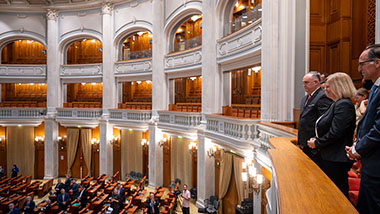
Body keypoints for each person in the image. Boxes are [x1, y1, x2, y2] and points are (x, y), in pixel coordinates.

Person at [307, 72, 356, 198]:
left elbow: (336, 132)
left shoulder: (344, 104)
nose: (325, 89)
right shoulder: (336, 103)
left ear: (338, 86)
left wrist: (317, 143)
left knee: (336, 195)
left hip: (336, 158)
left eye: (328, 86)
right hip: (330, 156)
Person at [346, 44, 380, 213]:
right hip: (370, 163)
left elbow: (379, 130)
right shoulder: (375, 87)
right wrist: (356, 146)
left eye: (362, 63)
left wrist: (358, 148)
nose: (359, 68)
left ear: (377, 63)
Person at [297, 71, 333, 167]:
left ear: (316, 82)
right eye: (303, 82)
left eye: (306, 82)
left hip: (315, 146)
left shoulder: (323, 97)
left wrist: (318, 143)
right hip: (305, 144)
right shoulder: (305, 99)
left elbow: (324, 122)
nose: (304, 85)